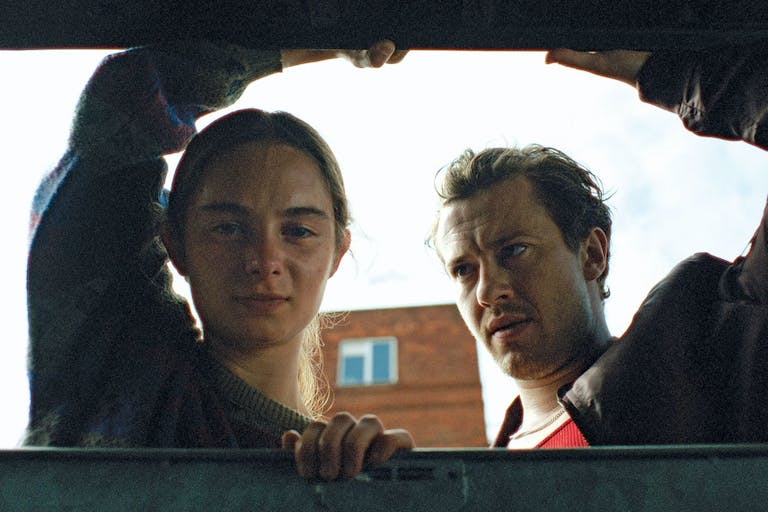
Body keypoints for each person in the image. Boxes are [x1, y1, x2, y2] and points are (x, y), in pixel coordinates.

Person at [25, 39, 412, 477]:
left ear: (337, 253)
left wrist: (387, 489)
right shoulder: (121, 365)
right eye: (228, 228)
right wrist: (317, 38)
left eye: (298, 231)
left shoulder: (345, 469)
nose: (264, 260)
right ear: (173, 243)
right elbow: (122, 110)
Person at [428, 46, 768, 448]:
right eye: (464, 270)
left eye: (513, 250)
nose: (488, 292)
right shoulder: (475, 478)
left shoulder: (706, 351)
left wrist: (673, 68)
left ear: (592, 253)